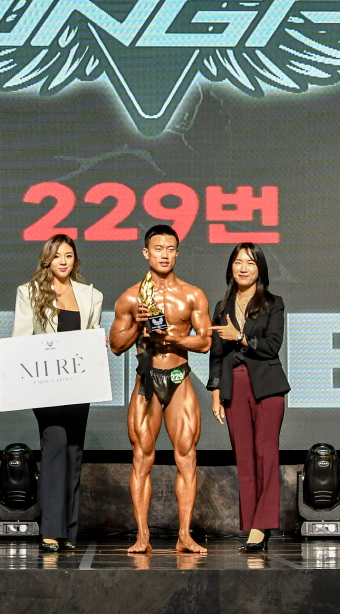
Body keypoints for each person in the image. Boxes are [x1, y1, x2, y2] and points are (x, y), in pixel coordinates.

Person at [109, 224, 212, 554]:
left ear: (177, 253)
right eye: (158, 249)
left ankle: (184, 535)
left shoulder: (193, 295)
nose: (164, 255)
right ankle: (143, 536)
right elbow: (116, 345)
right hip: (148, 380)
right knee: (141, 457)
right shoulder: (131, 297)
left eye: (170, 249)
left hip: (179, 378)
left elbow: (205, 342)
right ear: (146, 253)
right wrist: (139, 325)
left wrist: (172, 338)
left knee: (187, 457)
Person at [12, 234, 104, 553]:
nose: (63, 261)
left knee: (74, 453)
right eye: (57, 256)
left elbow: (90, 336)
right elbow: (21, 340)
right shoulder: (30, 292)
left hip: (78, 384)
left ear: (74, 259)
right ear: (47, 260)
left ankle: (68, 532)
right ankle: (51, 530)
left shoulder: (91, 295)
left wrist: (98, 342)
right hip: (46, 385)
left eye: (68, 255)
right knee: (55, 446)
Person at [207, 241, 288, 553]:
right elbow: (217, 354)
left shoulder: (273, 303)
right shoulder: (222, 306)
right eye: (238, 262)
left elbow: (272, 346)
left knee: (265, 455)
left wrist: (240, 337)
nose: (243, 268)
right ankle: (253, 522)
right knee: (244, 458)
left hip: (267, 386)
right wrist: (216, 393)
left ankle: (261, 526)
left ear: (260, 270)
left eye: (250, 263)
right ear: (231, 267)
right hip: (234, 386)